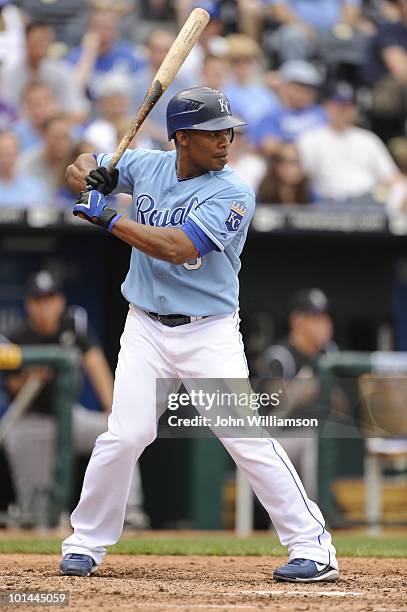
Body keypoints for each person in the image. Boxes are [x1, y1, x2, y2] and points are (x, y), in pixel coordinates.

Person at [59, 85, 339, 583]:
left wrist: (108, 216)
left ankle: (314, 548)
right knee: (124, 435)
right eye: (214, 133)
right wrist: (91, 177)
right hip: (145, 325)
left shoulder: (233, 191)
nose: (227, 140)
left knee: (244, 437)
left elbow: (175, 246)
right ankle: (85, 543)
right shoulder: (146, 165)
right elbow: (77, 165)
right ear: (182, 138)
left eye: (229, 131)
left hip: (207, 333)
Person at [3, 269, 148, 528]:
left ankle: (129, 513)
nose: (45, 306)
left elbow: (97, 368)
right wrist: (34, 372)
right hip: (33, 421)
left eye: (49, 299)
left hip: (71, 416)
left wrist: (115, 413)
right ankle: (36, 523)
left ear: (59, 301)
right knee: (37, 513)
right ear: (29, 304)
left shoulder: (73, 329)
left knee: (119, 433)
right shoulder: (18, 337)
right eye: (39, 300)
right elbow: (14, 389)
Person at [257, 289, 338, 500]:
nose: (323, 324)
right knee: (313, 440)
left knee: (319, 439)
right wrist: (308, 388)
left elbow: (342, 406)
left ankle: (325, 511)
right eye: (314, 318)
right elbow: (276, 399)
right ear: (297, 321)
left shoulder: (330, 356)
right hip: (275, 439)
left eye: (325, 318)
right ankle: (316, 515)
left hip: (313, 438)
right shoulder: (280, 355)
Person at [297, 82, 403, 203]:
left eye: (349, 106)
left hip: (366, 201)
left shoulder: (368, 139)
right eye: (339, 106)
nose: (344, 111)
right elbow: (300, 176)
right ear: (326, 106)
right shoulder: (310, 139)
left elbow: (391, 176)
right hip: (327, 201)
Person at [0, 21, 88, 119]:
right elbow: (7, 112)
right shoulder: (9, 72)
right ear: (25, 41)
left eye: (45, 40)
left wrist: (49, 116)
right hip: (21, 128)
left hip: (56, 125)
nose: (41, 45)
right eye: (36, 40)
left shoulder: (62, 71)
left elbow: (77, 112)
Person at [131, 28, 193, 149]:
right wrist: (167, 138)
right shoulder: (137, 83)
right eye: (158, 50)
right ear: (149, 51)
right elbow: (132, 120)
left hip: (181, 142)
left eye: (167, 50)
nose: (163, 55)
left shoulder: (185, 81)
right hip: (148, 145)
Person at [66, 9, 145, 101]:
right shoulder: (76, 55)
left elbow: (143, 89)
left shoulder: (130, 54)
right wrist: (89, 53)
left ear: (116, 30)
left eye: (107, 27)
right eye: (97, 27)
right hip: (89, 110)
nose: (102, 32)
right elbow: (73, 91)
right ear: (88, 29)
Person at [253, 60, 327, 157]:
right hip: (285, 164)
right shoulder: (272, 115)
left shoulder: (321, 113)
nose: (303, 93)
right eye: (298, 87)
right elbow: (269, 146)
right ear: (284, 86)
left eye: (309, 88)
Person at [16, 114, 75, 204]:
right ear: (45, 136)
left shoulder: (74, 163)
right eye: (57, 137)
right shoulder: (28, 162)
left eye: (66, 137)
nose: (62, 143)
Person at [0, 131, 49, 208]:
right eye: (1, 153)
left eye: (9, 154)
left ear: (17, 154)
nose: (5, 159)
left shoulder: (35, 186)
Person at [12, 81, 59, 152]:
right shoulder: (14, 134)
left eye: (45, 103)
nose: (39, 110)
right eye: (34, 104)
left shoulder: (68, 132)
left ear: (53, 104)